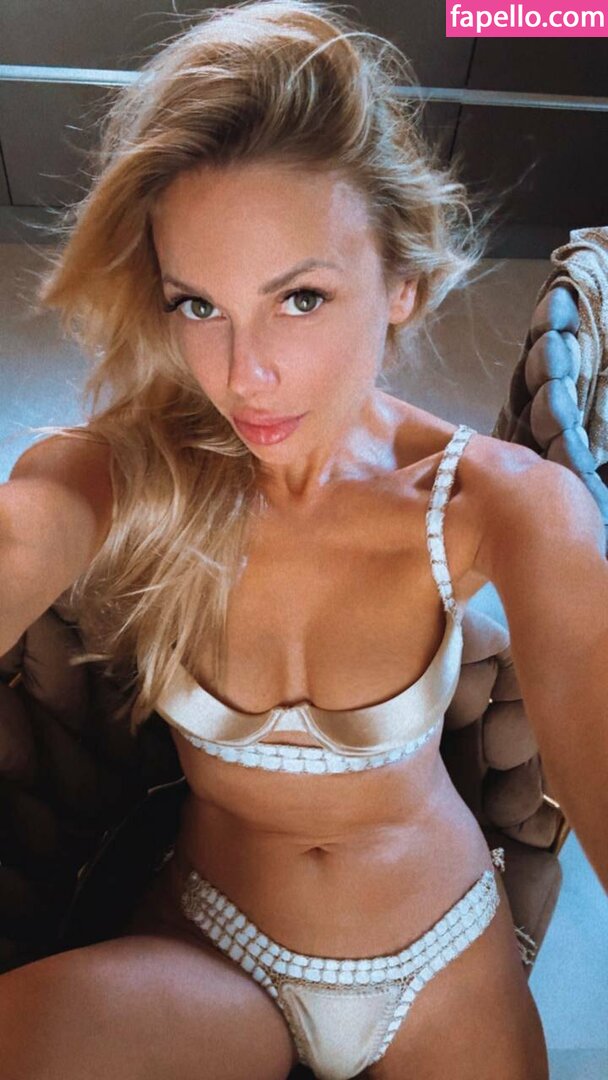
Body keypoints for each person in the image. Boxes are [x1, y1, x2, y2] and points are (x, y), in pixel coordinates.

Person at [0, 2, 606, 1077]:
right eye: (199, 305)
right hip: (215, 952)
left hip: (442, 967)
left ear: (402, 284)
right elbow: (22, 539)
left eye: (301, 298)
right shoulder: (120, 472)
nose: (246, 375)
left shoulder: (499, 504)